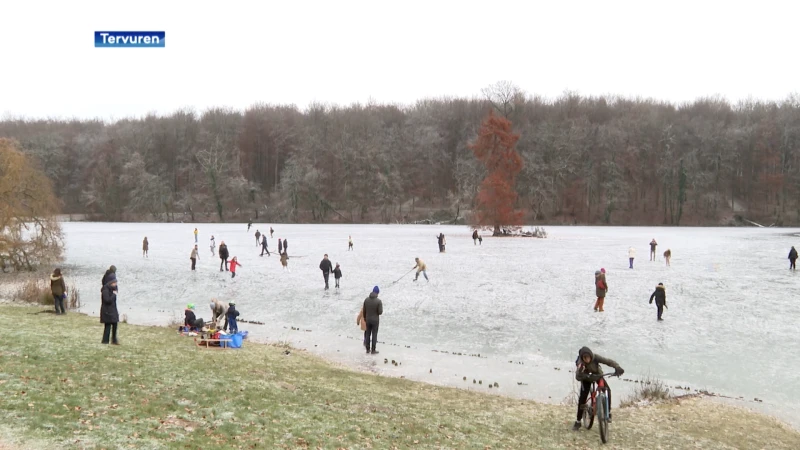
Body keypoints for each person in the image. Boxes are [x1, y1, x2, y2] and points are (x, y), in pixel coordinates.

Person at [572, 347, 624, 431]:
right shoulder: (580, 363)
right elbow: (578, 376)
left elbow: (608, 361)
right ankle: (578, 421)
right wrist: (582, 372)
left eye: (588, 357)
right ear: (582, 358)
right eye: (584, 358)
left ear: (590, 356)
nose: (587, 359)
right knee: (582, 398)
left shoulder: (595, 357)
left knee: (607, 390)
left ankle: (608, 412)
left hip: (597, 376)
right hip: (586, 378)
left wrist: (617, 367)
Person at [362, 286, 383, 354]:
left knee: (367, 334)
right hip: (375, 321)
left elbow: (364, 310)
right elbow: (380, 312)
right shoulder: (379, 301)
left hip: (367, 319)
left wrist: (365, 318)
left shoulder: (366, 300)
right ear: (377, 293)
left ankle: (367, 349)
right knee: (374, 335)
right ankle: (373, 350)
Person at [100, 273, 120, 345]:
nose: (115, 284)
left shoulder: (113, 289)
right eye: (114, 282)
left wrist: (115, 291)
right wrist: (114, 294)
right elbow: (107, 300)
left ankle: (114, 340)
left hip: (113, 309)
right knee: (108, 326)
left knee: (115, 324)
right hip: (107, 311)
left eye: (116, 282)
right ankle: (105, 341)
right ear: (110, 282)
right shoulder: (105, 290)